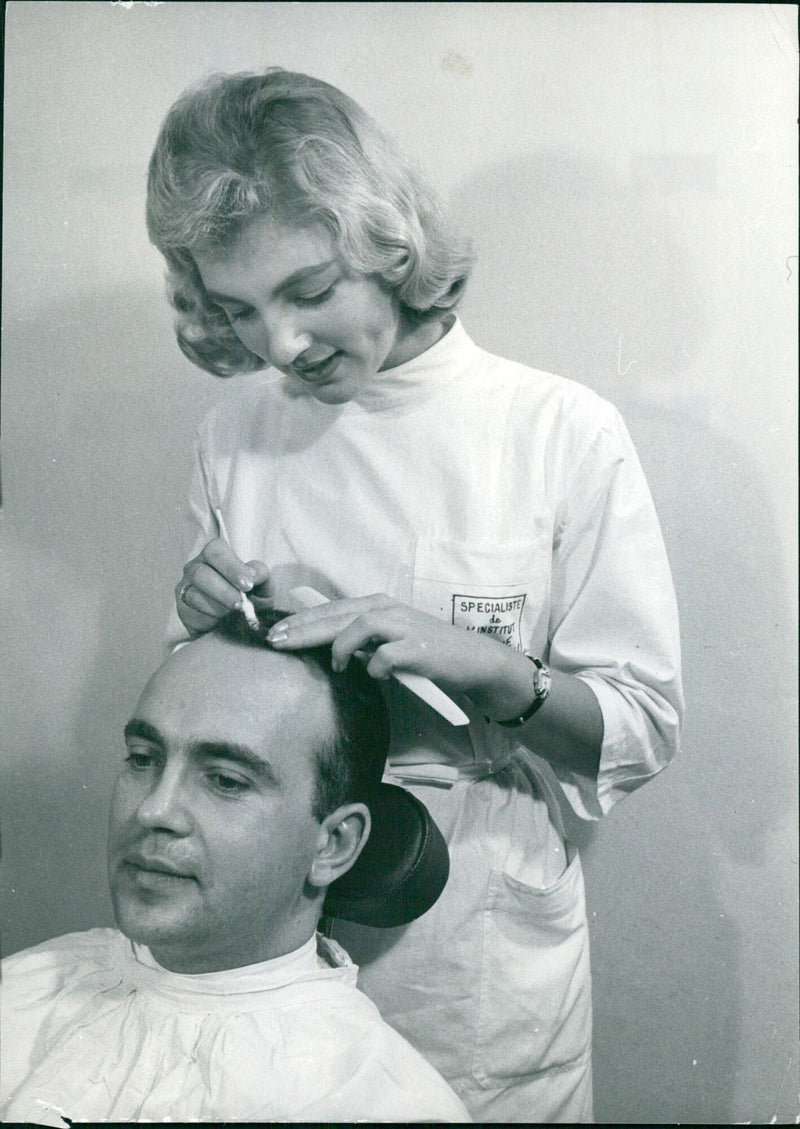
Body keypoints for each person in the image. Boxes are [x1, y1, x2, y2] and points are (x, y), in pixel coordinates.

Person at [148, 68, 684, 1122]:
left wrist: (478, 661)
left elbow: (641, 728)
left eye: (306, 292)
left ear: (385, 244)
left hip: (472, 955)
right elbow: (184, 722)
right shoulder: (236, 433)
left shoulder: (556, 432)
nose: (280, 346)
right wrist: (214, 628)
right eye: (238, 309)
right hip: (273, 939)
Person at [0, 608, 470, 1125]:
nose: (152, 811)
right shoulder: (23, 990)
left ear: (333, 844)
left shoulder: (383, 1106)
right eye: (142, 757)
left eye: (225, 780)